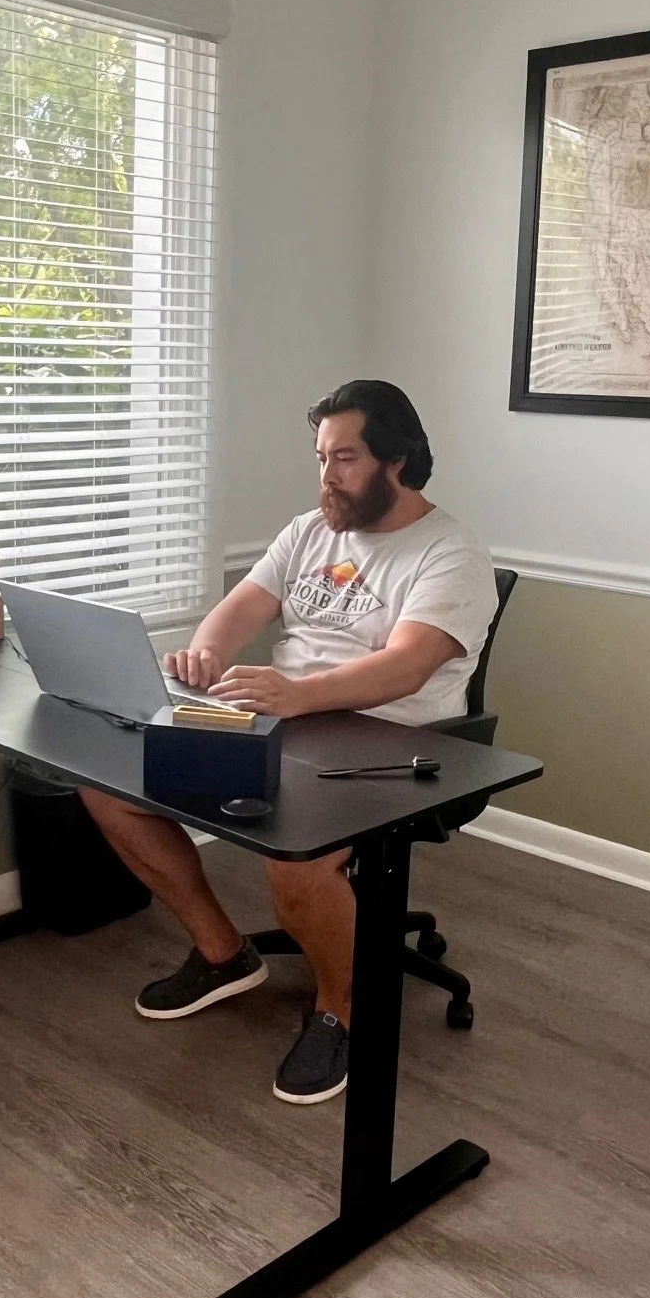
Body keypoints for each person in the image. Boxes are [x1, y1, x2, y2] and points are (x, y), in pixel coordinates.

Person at [79, 380, 497, 1106]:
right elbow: (237, 611)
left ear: (397, 462)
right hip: (284, 722)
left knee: (293, 859)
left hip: (396, 741)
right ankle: (223, 953)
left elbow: (408, 664)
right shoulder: (310, 531)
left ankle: (340, 1008)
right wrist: (204, 656)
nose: (326, 477)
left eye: (345, 458)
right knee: (108, 783)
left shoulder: (450, 552)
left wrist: (297, 695)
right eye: (321, 457)